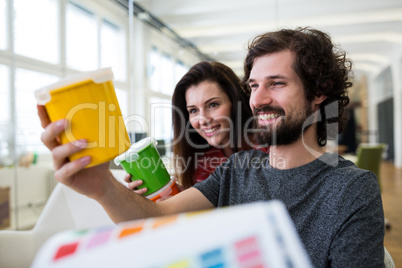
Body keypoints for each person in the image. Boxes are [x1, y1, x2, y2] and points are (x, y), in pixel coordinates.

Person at [38, 27, 384, 267]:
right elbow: (156, 219)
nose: (258, 100)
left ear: (319, 94)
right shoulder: (237, 169)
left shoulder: (352, 188)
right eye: (254, 86)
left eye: (276, 84)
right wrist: (102, 187)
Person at [127, 61, 268, 194]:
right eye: (193, 110)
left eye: (213, 105)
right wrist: (171, 195)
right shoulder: (202, 163)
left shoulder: (269, 147)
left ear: (235, 102)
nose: (203, 120)